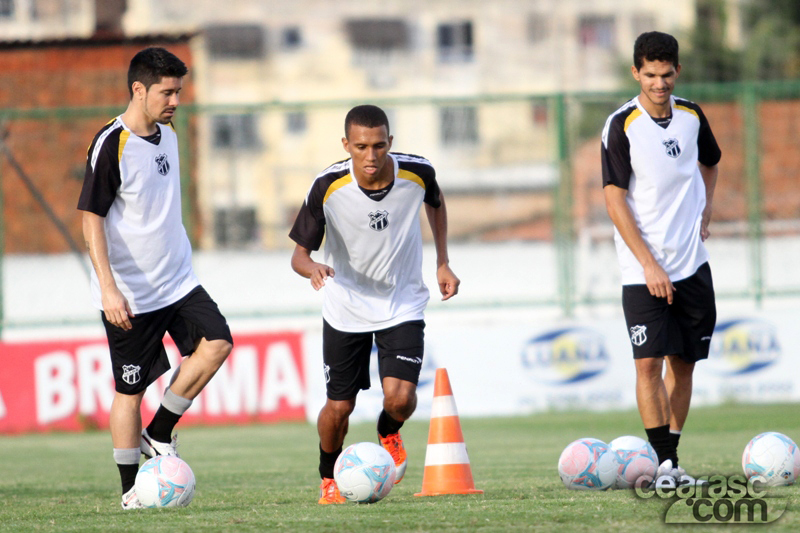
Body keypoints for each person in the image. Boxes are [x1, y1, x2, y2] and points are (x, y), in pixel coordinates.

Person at [78, 47, 233, 509]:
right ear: (138, 89)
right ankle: (130, 491)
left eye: (179, 91)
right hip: (130, 294)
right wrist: (109, 289)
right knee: (130, 391)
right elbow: (91, 218)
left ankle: (160, 430)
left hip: (179, 281)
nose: (175, 101)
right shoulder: (112, 142)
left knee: (218, 343)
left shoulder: (167, 135)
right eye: (167, 92)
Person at [289, 104, 459, 504]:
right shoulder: (328, 186)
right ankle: (328, 477)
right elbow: (298, 255)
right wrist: (312, 267)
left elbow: (435, 203)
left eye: (379, 146)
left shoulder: (418, 173)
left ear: (390, 143)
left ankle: (389, 431)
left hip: (401, 302)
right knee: (339, 407)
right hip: (346, 307)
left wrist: (443, 261)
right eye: (361, 147)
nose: (371, 156)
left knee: (400, 399)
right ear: (346, 144)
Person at [601, 31, 721, 485]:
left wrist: (706, 208)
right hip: (640, 269)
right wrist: (649, 264)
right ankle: (665, 462)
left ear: (677, 72)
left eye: (666, 74)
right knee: (648, 363)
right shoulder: (621, 125)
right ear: (637, 73)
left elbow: (711, 162)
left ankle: (670, 462)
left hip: (691, 263)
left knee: (684, 364)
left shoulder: (691, 116)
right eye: (650, 75)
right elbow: (614, 201)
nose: (659, 83)